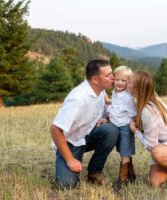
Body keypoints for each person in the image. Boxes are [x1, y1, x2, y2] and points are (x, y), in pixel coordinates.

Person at [50, 59, 119, 188]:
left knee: (111, 130)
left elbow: (108, 114)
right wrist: (70, 160)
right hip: (70, 142)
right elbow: (55, 129)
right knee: (67, 184)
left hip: (88, 135)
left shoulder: (101, 92)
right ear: (95, 80)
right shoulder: (78, 98)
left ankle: (94, 172)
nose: (113, 77)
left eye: (112, 73)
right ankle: (69, 159)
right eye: (108, 75)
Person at [105, 66, 137, 188]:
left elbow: (133, 115)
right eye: (117, 79)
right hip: (116, 127)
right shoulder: (114, 93)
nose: (119, 83)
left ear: (128, 82)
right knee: (123, 152)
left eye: (124, 80)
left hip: (125, 128)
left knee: (124, 152)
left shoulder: (128, 98)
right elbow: (115, 106)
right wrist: (108, 104)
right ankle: (131, 175)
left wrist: (133, 129)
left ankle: (122, 180)